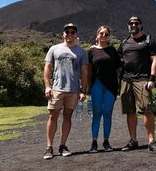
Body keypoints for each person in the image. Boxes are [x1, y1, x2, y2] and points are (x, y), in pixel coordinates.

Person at [43, 23, 89, 160]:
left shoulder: (81, 52)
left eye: (72, 32)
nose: (70, 34)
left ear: (76, 34)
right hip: (56, 89)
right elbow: (47, 68)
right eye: (67, 32)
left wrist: (83, 90)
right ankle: (49, 147)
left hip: (73, 90)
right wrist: (47, 86)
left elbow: (84, 72)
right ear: (63, 34)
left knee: (68, 116)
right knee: (53, 116)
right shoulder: (54, 49)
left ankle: (63, 145)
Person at [118, 16, 156, 153]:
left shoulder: (148, 40)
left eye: (136, 23)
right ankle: (133, 141)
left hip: (143, 79)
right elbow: (116, 58)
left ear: (141, 25)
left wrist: (152, 78)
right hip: (126, 80)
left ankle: (151, 141)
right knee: (130, 111)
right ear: (128, 26)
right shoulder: (124, 42)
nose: (133, 25)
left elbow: (155, 59)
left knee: (147, 109)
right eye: (131, 23)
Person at [88, 26, 122, 153]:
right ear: (97, 35)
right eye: (101, 33)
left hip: (111, 86)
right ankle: (94, 142)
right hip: (97, 85)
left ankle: (106, 141)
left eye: (106, 34)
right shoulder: (91, 51)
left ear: (109, 36)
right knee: (97, 113)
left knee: (107, 113)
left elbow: (119, 67)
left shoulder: (112, 50)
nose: (104, 35)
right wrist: (85, 87)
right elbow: (88, 70)